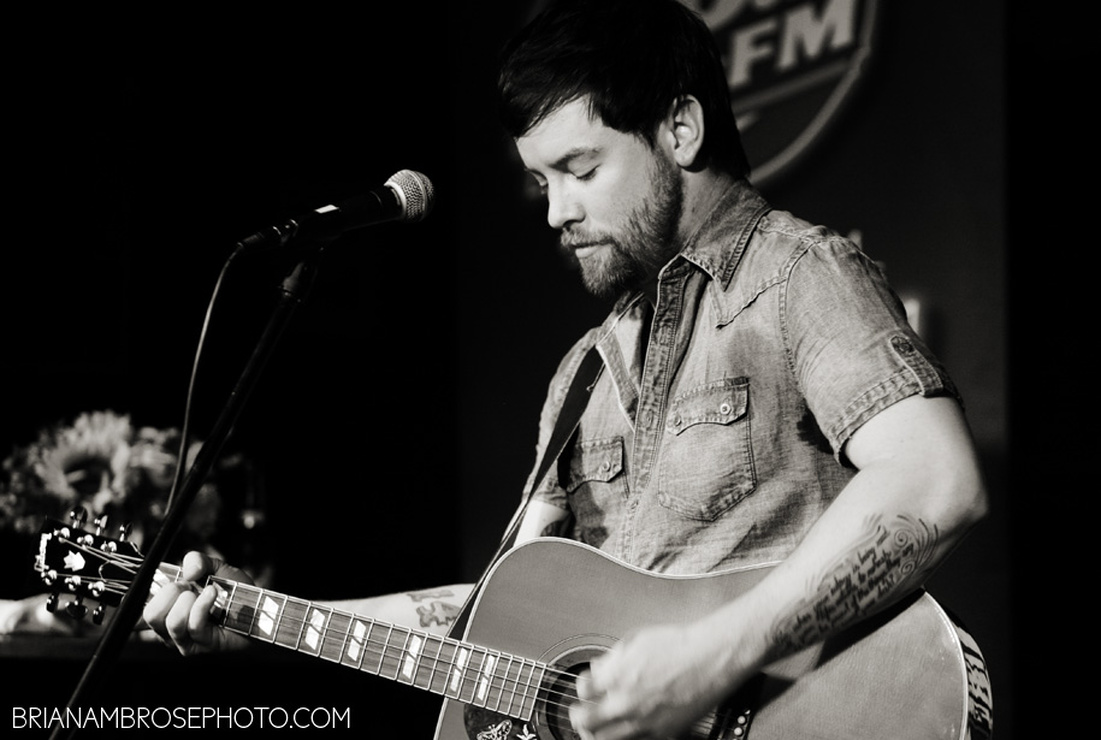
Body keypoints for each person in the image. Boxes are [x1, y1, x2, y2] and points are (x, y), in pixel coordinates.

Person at [144, 1, 989, 738]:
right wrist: (264, 617)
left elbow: (933, 479)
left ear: (680, 129)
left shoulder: (799, 276)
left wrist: (711, 658)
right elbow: (496, 621)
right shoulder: (581, 373)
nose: (555, 210)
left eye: (580, 170)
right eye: (540, 181)